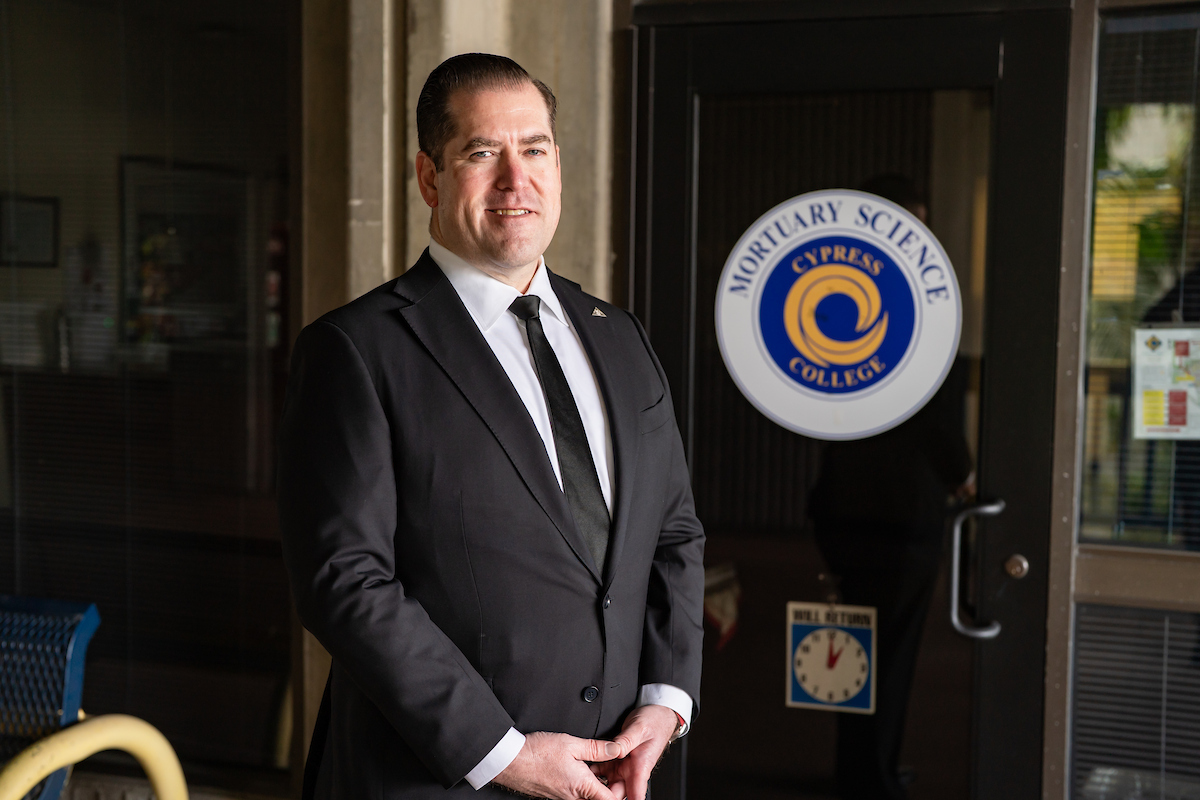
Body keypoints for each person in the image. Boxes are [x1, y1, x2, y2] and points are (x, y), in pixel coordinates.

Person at [277, 53, 705, 800]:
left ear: (558, 165)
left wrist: (665, 702)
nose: (517, 179)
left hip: (618, 775)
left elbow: (672, 534)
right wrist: (501, 752)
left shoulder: (620, 336)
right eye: (482, 153)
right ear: (429, 178)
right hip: (436, 780)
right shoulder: (356, 349)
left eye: (534, 149)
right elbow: (343, 581)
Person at [809, 175, 974, 800]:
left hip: (845, 505)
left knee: (859, 645)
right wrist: (964, 476)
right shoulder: (916, 306)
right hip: (898, 513)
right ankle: (870, 777)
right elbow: (930, 415)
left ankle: (862, 769)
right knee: (890, 654)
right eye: (911, 223)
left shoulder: (835, 297)